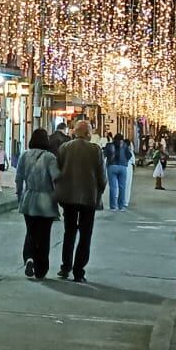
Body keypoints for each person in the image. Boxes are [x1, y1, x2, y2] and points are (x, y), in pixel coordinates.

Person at [55, 117, 106, 281]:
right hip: (88, 198)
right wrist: (100, 191)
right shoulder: (95, 150)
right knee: (85, 234)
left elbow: (58, 171)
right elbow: (101, 176)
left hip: (68, 197)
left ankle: (65, 266)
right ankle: (79, 271)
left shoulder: (64, 148)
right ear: (86, 133)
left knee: (69, 232)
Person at [15, 128, 61, 278]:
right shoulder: (50, 158)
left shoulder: (24, 156)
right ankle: (41, 268)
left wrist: (19, 195)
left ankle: (29, 258)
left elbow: (18, 178)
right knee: (44, 235)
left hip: (29, 198)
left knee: (31, 232)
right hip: (46, 201)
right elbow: (56, 179)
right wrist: (58, 197)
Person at [105, 133, 133, 209]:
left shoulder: (109, 145)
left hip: (112, 167)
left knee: (113, 187)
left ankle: (113, 206)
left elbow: (105, 154)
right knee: (122, 187)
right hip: (122, 167)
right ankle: (121, 206)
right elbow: (129, 155)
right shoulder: (124, 145)